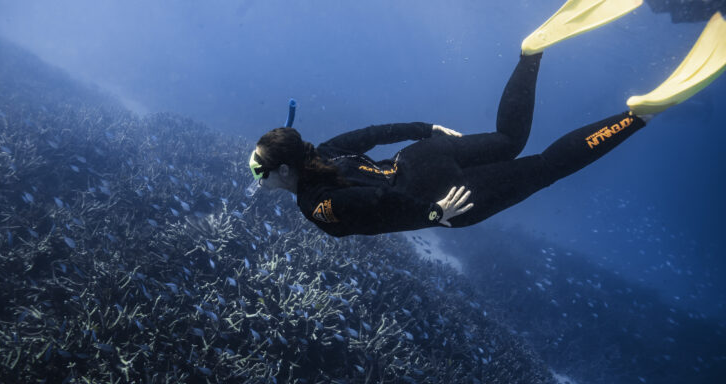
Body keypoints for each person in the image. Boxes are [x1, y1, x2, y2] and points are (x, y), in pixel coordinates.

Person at [248, 0, 726, 238]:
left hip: (444, 196)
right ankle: (531, 52)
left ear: (283, 170)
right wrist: (426, 129)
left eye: (257, 170)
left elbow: (375, 206)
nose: (256, 177)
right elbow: (374, 134)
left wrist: (435, 215)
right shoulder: (320, 149)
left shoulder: (315, 206)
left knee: (546, 167)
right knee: (508, 137)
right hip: (424, 156)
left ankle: (637, 117)